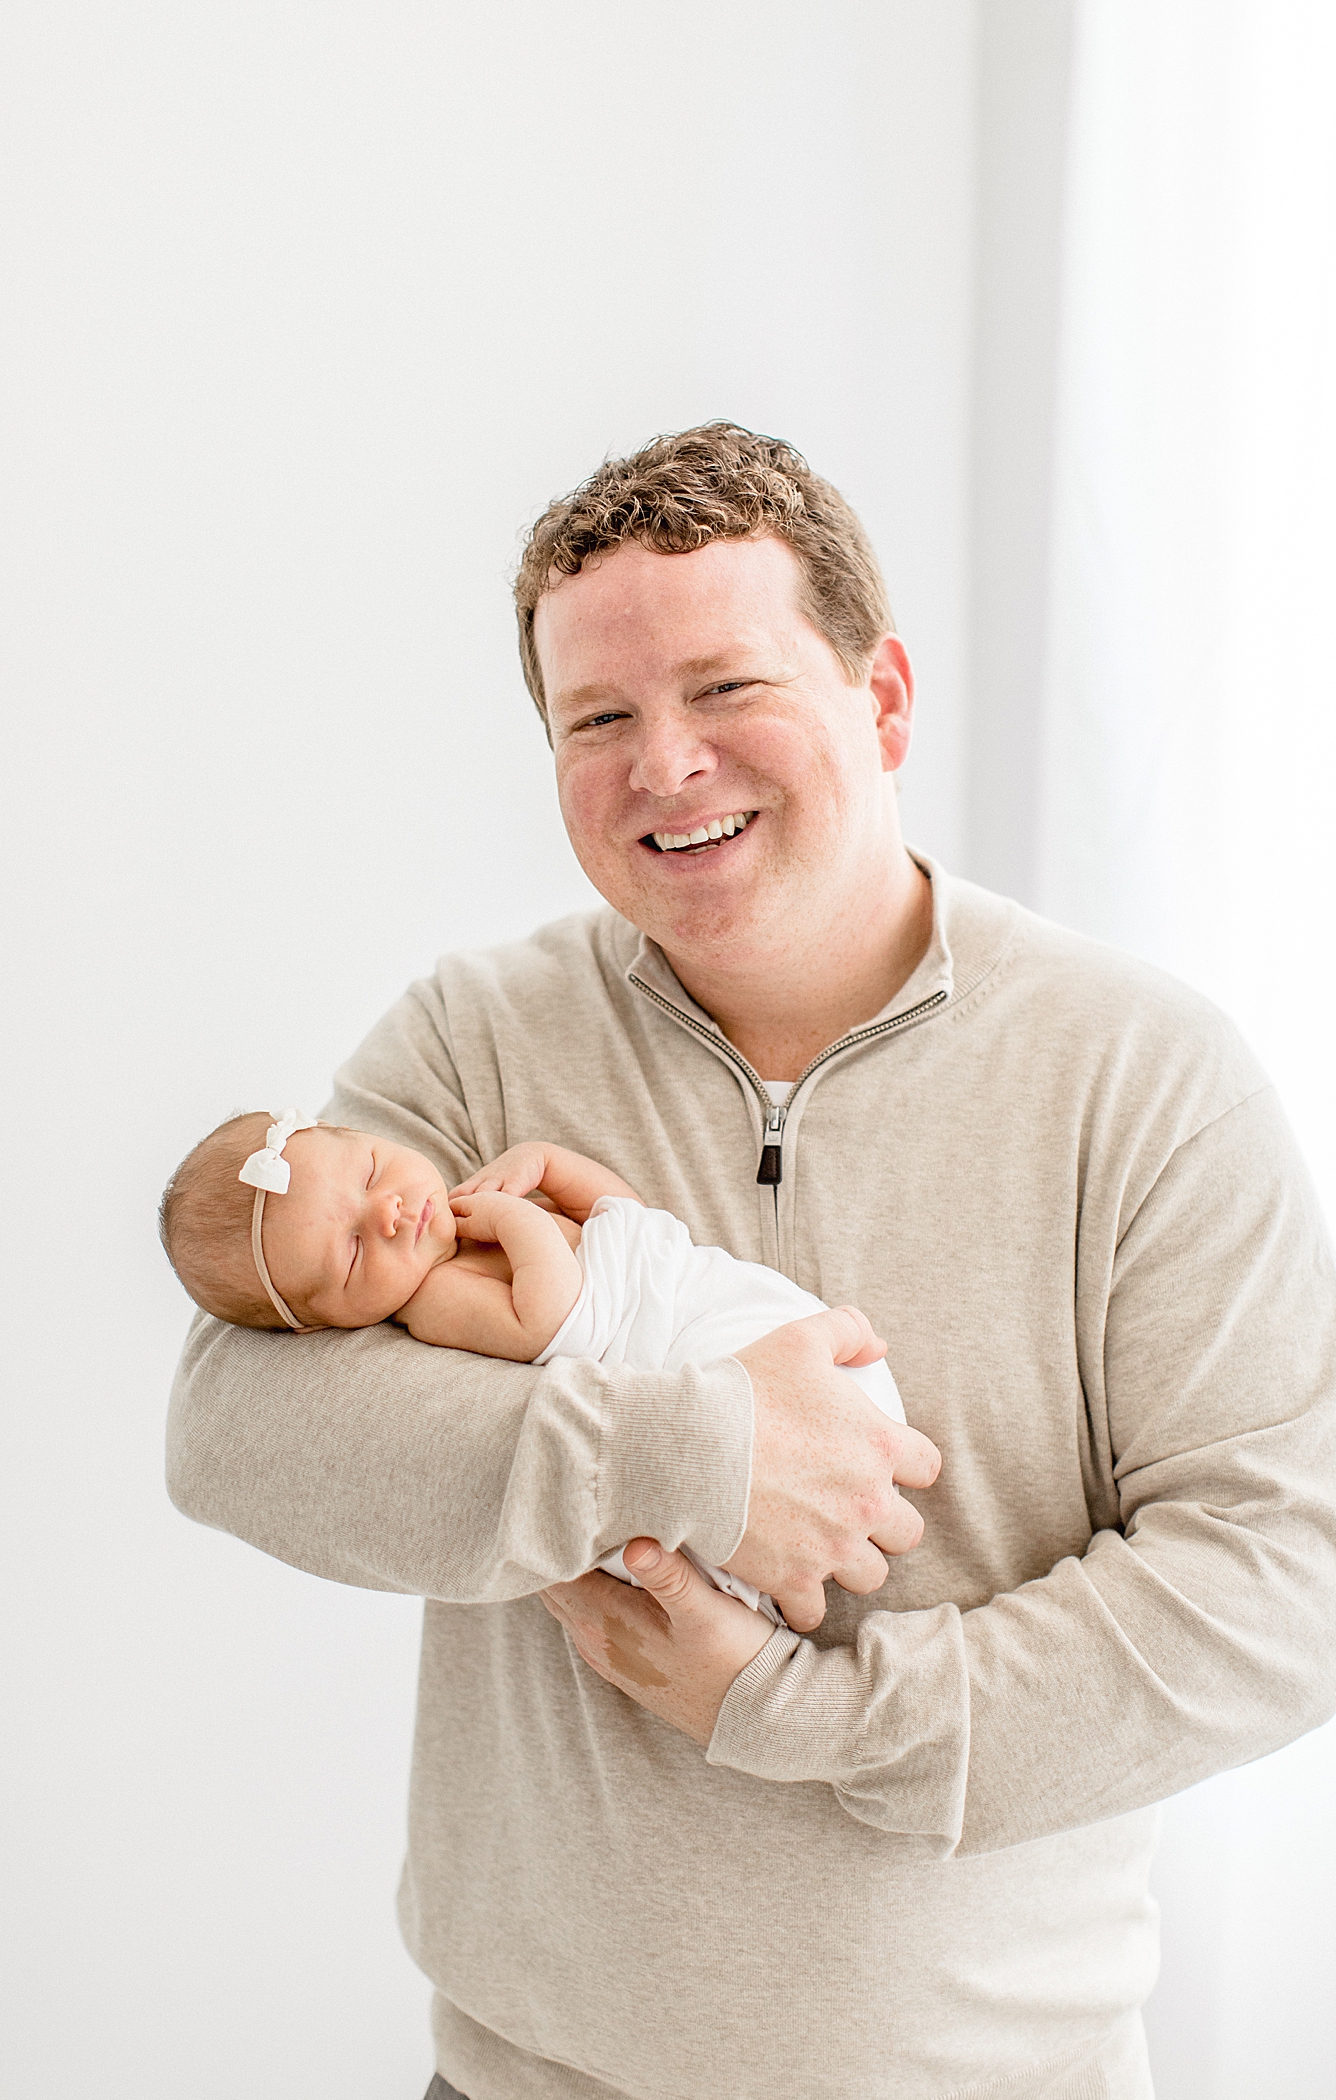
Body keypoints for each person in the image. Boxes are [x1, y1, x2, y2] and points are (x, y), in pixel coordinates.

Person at [167, 423, 1336, 2100]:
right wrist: (697, 1454)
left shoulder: (1140, 1075)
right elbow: (234, 1436)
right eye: (599, 719)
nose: (665, 768)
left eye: (728, 690)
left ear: (886, 702)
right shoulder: (473, 1045)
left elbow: (1282, 1589)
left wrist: (798, 1710)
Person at [157, 1118, 908, 1620]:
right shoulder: (434, 1300)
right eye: (353, 1249)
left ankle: (843, 1406)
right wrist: (518, 1217)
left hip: (686, 1298)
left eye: (374, 1170)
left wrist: (550, 1164)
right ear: (328, 1320)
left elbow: (622, 1216)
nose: (387, 1211)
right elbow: (548, 1320)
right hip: (663, 1352)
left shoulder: (454, 1221)